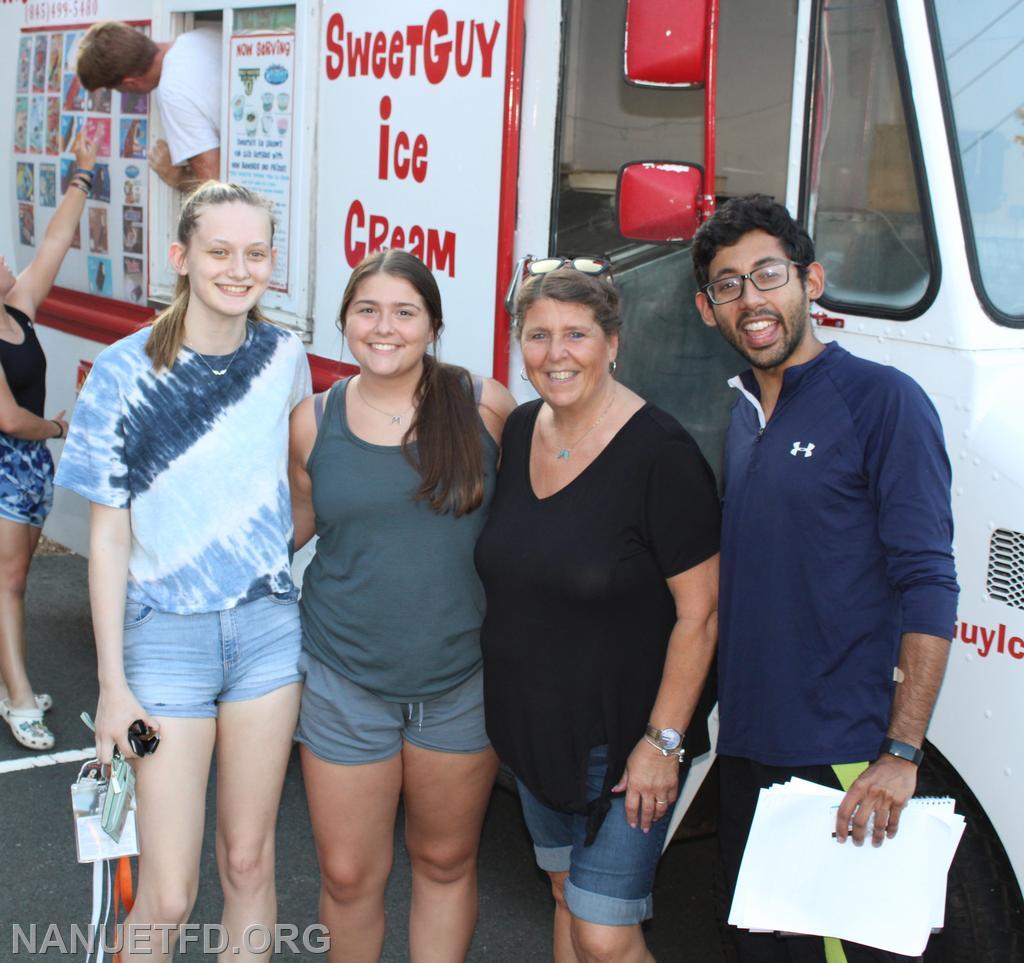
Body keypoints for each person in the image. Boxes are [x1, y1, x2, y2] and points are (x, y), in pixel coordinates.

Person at [691, 194, 959, 962]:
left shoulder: (883, 401)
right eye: (727, 284)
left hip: (843, 762)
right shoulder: (743, 412)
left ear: (812, 280)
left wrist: (901, 753)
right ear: (709, 311)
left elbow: (929, 583)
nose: (752, 298)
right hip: (748, 756)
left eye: (767, 273)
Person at [55, 182, 311, 962]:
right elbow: (107, 541)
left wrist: (263, 555)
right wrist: (112, 685)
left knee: (247, 859)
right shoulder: (123, 373)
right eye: (220, 251)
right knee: (166, 892)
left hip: (268, 635)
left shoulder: (285, 358)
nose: (239, 269)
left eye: (256, 253)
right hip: (163, 644)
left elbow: (302, 484)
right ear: (182, 257)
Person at [475, 263, 721, 963]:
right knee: (563, 894)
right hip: (533, 731)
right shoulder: (520, 431)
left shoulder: (662, 455)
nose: (557, 353)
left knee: (605, 934)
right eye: (539, 334)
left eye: (577, 333)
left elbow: (699, 614)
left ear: (613, 342)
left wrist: (663, 743)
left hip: (623, 746)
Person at [289, 248, 515, 963]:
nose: (384, 327)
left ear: (433, 325)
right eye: (367, 310)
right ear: (344, 322)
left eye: (404, 311)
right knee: (350, 874)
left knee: (445, 861)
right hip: (343, 678)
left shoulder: (486, 405)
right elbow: (290, 530)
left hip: (460, 685)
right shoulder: (314, 418)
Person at [0, 133, 97, 751]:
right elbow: (10, 420)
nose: (7, 263)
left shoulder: (18, 309)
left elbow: (55, 242)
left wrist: (82, 175)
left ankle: (14, 683)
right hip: (12, 459)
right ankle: (17, 698)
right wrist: (62, 427)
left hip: (29, 468)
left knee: (16, 577)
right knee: (7, 582)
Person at [77, 21, 220, 191]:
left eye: (114, 88)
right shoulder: (200, 36)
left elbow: (217, 192)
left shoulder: (172, 92)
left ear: (130, 83)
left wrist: (176, 177)